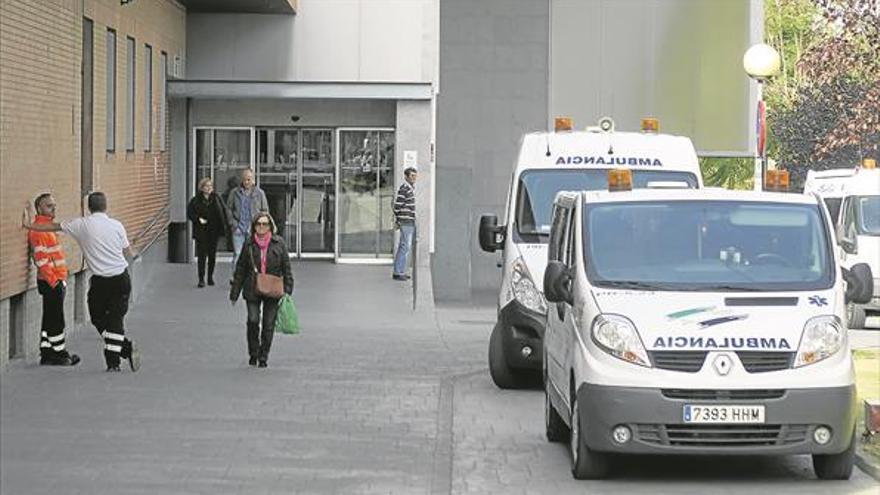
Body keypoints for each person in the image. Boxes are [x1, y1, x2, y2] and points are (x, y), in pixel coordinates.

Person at [23, 192, 141, 372]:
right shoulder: (117, 225)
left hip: (99, 282)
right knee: (114, 320)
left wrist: (28, 225)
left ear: (89, 207)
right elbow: (129, 252)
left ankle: (117, 357)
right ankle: (118, 356)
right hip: (120, 279)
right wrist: (135, 256)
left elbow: (52, 227)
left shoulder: (80, 225)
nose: (54, 208)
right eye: (49, 205)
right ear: (105, 206)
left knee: (99, 317)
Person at [229, 213, 293, 368]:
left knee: (268, 324)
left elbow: (286, 267)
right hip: (252, 287)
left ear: (270, 226)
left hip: (273, 289)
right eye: (258, 224)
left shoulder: (279, 244)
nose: (262, 227)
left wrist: (288, 289)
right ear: (254, 226)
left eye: (265, 224)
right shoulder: (249, 244)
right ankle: (254, 352)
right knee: (253, 320)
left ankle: (264, 355)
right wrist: (234, 293)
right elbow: (241, 268)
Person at [27, 193, 80, 366]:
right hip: (51, 282)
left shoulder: (46, 228)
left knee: (49, 317)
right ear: (39, 208)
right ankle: (59, 353)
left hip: (55, 280)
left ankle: (47, 352)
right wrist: (55, 282)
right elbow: (42, 261)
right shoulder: (39, 230)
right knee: (57, 319)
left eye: (54, 205)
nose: (53, 208)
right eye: (49, 206)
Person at [187, 177, 228, 287]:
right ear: (202, 188)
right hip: (201, 231)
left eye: (210, 186)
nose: (209, 188)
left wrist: (224, 226)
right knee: (201, 255)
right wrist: (198, 219)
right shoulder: (195, 200)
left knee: (212, 255)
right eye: (207, 186)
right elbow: (190, 213)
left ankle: (210, 277)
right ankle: (201, 278)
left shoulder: (216, 198)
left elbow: (223, 212)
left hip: (213, 230)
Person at [227, 168, 269, 274]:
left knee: (254, 255)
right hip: (238, 228)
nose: (247, 182)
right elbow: (228, 209)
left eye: (249, 179)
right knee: (238, 254)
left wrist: (260, 226)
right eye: (245, 179)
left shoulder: (260, 193)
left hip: (254, 229)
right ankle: (236, 278)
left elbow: (265, 211)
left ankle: (254, 277)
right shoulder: (234, 193)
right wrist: (233, 223)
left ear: (253, 180)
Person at [392, 165, 418, 281]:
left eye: (415, 176)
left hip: (409, 220)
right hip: (405, 221)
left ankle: (401, 270)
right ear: (406, 177)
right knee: (404, 246)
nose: (414, 178)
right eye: (412, 176)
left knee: (405, 246)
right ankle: (398, 272)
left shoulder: (410, 188)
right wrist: (398, 219)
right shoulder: (404, 188)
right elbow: (398, 205)